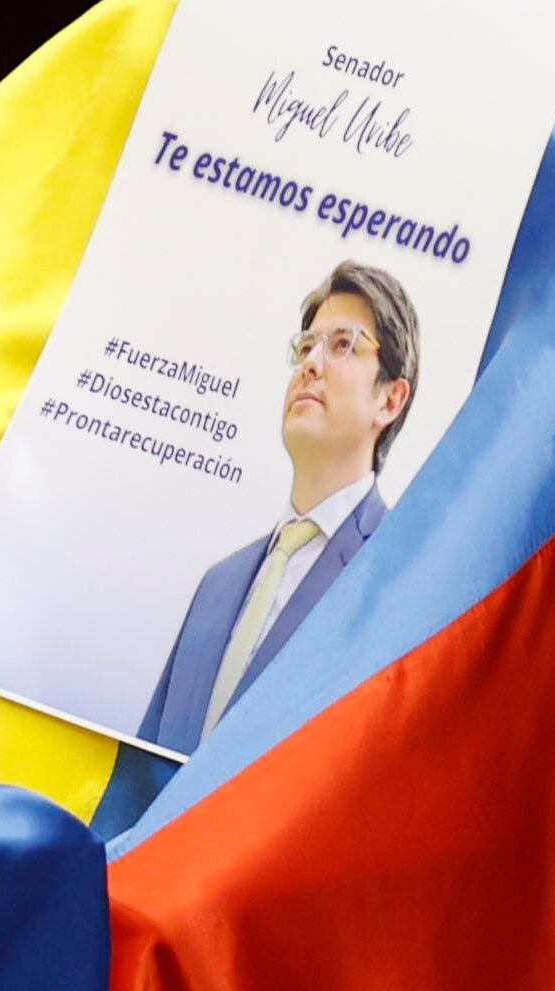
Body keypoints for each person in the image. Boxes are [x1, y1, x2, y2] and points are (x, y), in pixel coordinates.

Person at [135, 260, 417, 756]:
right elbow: (141, 769)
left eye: (343, 345)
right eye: (305, 347)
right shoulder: (216, 585)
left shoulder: (401, 581)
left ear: (390, 401)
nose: (311, 364)